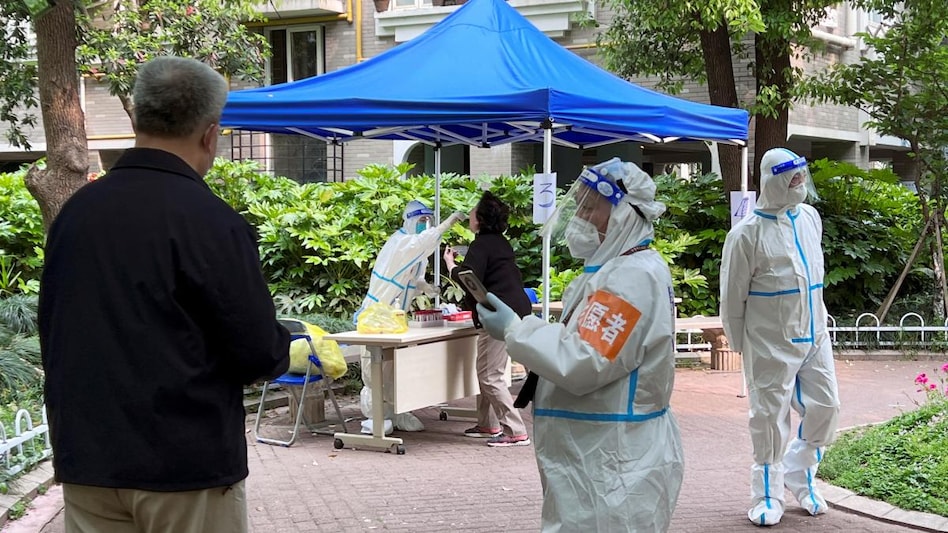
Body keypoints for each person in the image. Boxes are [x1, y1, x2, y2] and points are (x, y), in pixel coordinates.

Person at [38, 56, 291, 533]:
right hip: (184, 464)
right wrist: (290, 349)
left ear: (138, 117)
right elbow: (257, 349)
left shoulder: (77, 213)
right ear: (210, 134)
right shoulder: (212, 221)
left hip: (89, 458)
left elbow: (54, 326)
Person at [476, 158, 684, 532]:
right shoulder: (619, 270)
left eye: (590, 207)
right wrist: (524, 328)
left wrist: (516, 331)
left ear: (622, 214)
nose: (580, 217)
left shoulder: (631, 278)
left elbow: (584, 360)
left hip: (610, 460)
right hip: (599, 454)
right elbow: (583, 342)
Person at [720, 148, 840, 526]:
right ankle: (767, 495)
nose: (800, 183)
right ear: (774, 180)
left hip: (814, 333)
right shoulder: (746, 235)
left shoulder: (810, 218)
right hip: (769, 341)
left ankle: (800, 473)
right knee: (769, 420)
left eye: (802, 176)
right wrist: (739, 343)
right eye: (793, 178)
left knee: (827, 407)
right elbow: (731, 296)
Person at [354, 201, 465, 434]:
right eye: (422, 221)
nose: (426, 226)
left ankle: (398, 412)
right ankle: (377, 417)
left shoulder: (418, 252)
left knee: (396, 368)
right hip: (375, 315)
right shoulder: (400, 243)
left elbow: (414, 278)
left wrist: (427, 288)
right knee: (374, 370)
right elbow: (419, 244)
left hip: (395, 318)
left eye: (429, 221)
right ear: (410, 220)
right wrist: (449, 222)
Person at [443, 190, 533, 447]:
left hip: (498, 316)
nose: (470, 214)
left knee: (489, 375)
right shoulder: (500, 243)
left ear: (480, 219)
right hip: (518, 311)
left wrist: (450, 265)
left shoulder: (480, 245)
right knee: (488, 371)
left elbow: (470, 279)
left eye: (473, 211)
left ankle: (515, 429)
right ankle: (487, 424)